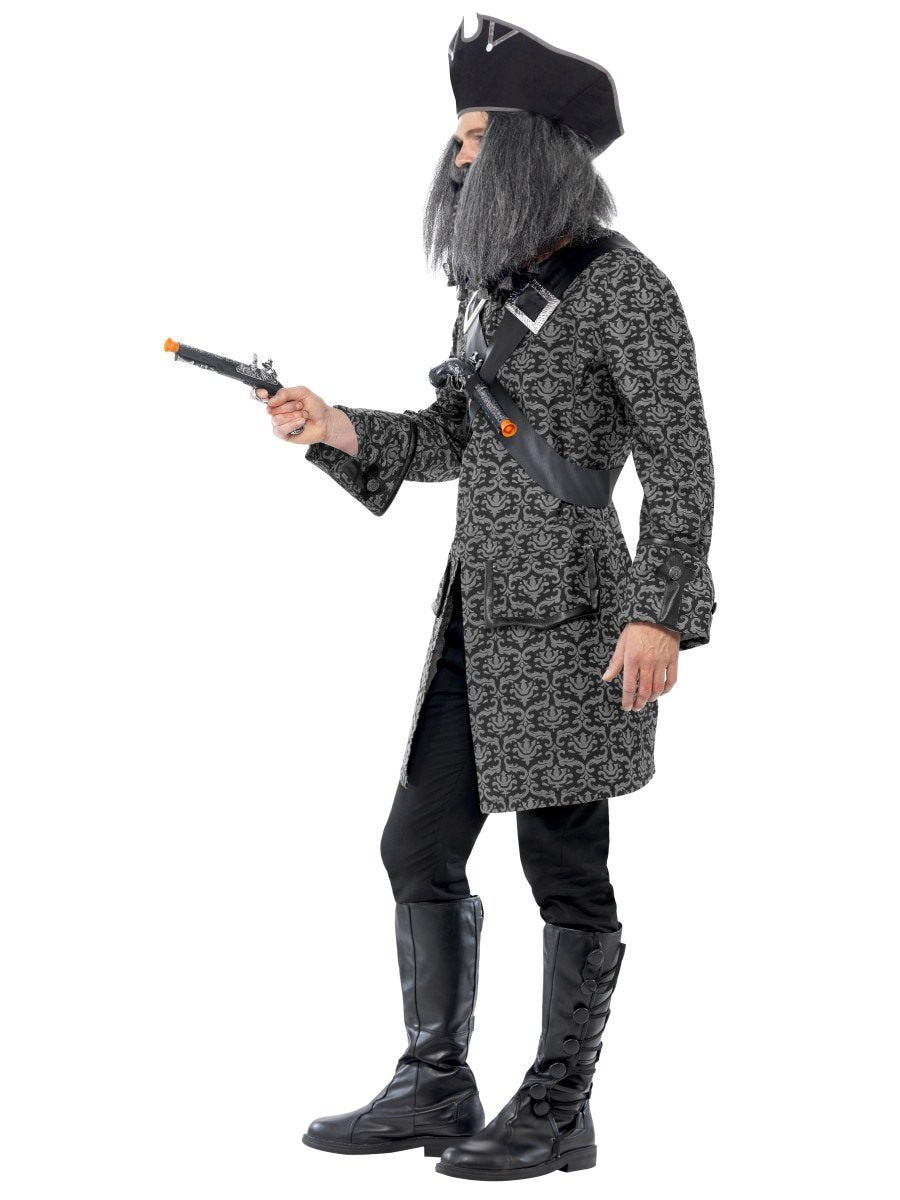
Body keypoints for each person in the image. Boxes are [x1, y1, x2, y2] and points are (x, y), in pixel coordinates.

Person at [259, 14, 715, 1183]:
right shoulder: (488, 293)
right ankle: (436, 1078)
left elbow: (682, 464)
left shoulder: (625, 290)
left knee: (565, 867)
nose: (456, 158)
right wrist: (335, 426)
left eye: (475, 137)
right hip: (477, 616)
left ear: (532, 149)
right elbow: (453, 438)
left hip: (578, 625)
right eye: (457, 137)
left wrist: (658, 613)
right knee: (416, 844)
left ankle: (560, 1107)